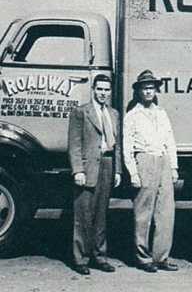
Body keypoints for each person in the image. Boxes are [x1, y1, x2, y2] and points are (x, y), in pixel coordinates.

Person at [123, 70, 179, 273]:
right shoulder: (132, 115)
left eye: (151, 88)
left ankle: (161, 257)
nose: (148, 91)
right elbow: (127, 146)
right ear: (138, 91)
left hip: (163, 160)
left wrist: (173, 166)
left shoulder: (161, 113)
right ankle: (143, 257)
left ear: (156, 90)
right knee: (143, 212)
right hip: (144, 160)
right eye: (144, 88)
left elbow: (170, 140)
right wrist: (134, 173)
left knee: (165, 212)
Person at [68, 74, 122, 275]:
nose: (103, 93)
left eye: (106, 90)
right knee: (83, 215)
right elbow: (74, 143)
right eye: (100, 89)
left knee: (101, 214)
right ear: (93, 89)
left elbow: (117, 144)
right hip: (88, 167)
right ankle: (80, 259)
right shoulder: (81, 112)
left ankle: (99, 256)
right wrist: (77, 170)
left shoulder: (114, 114)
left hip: (107, 165)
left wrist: (117, 170)